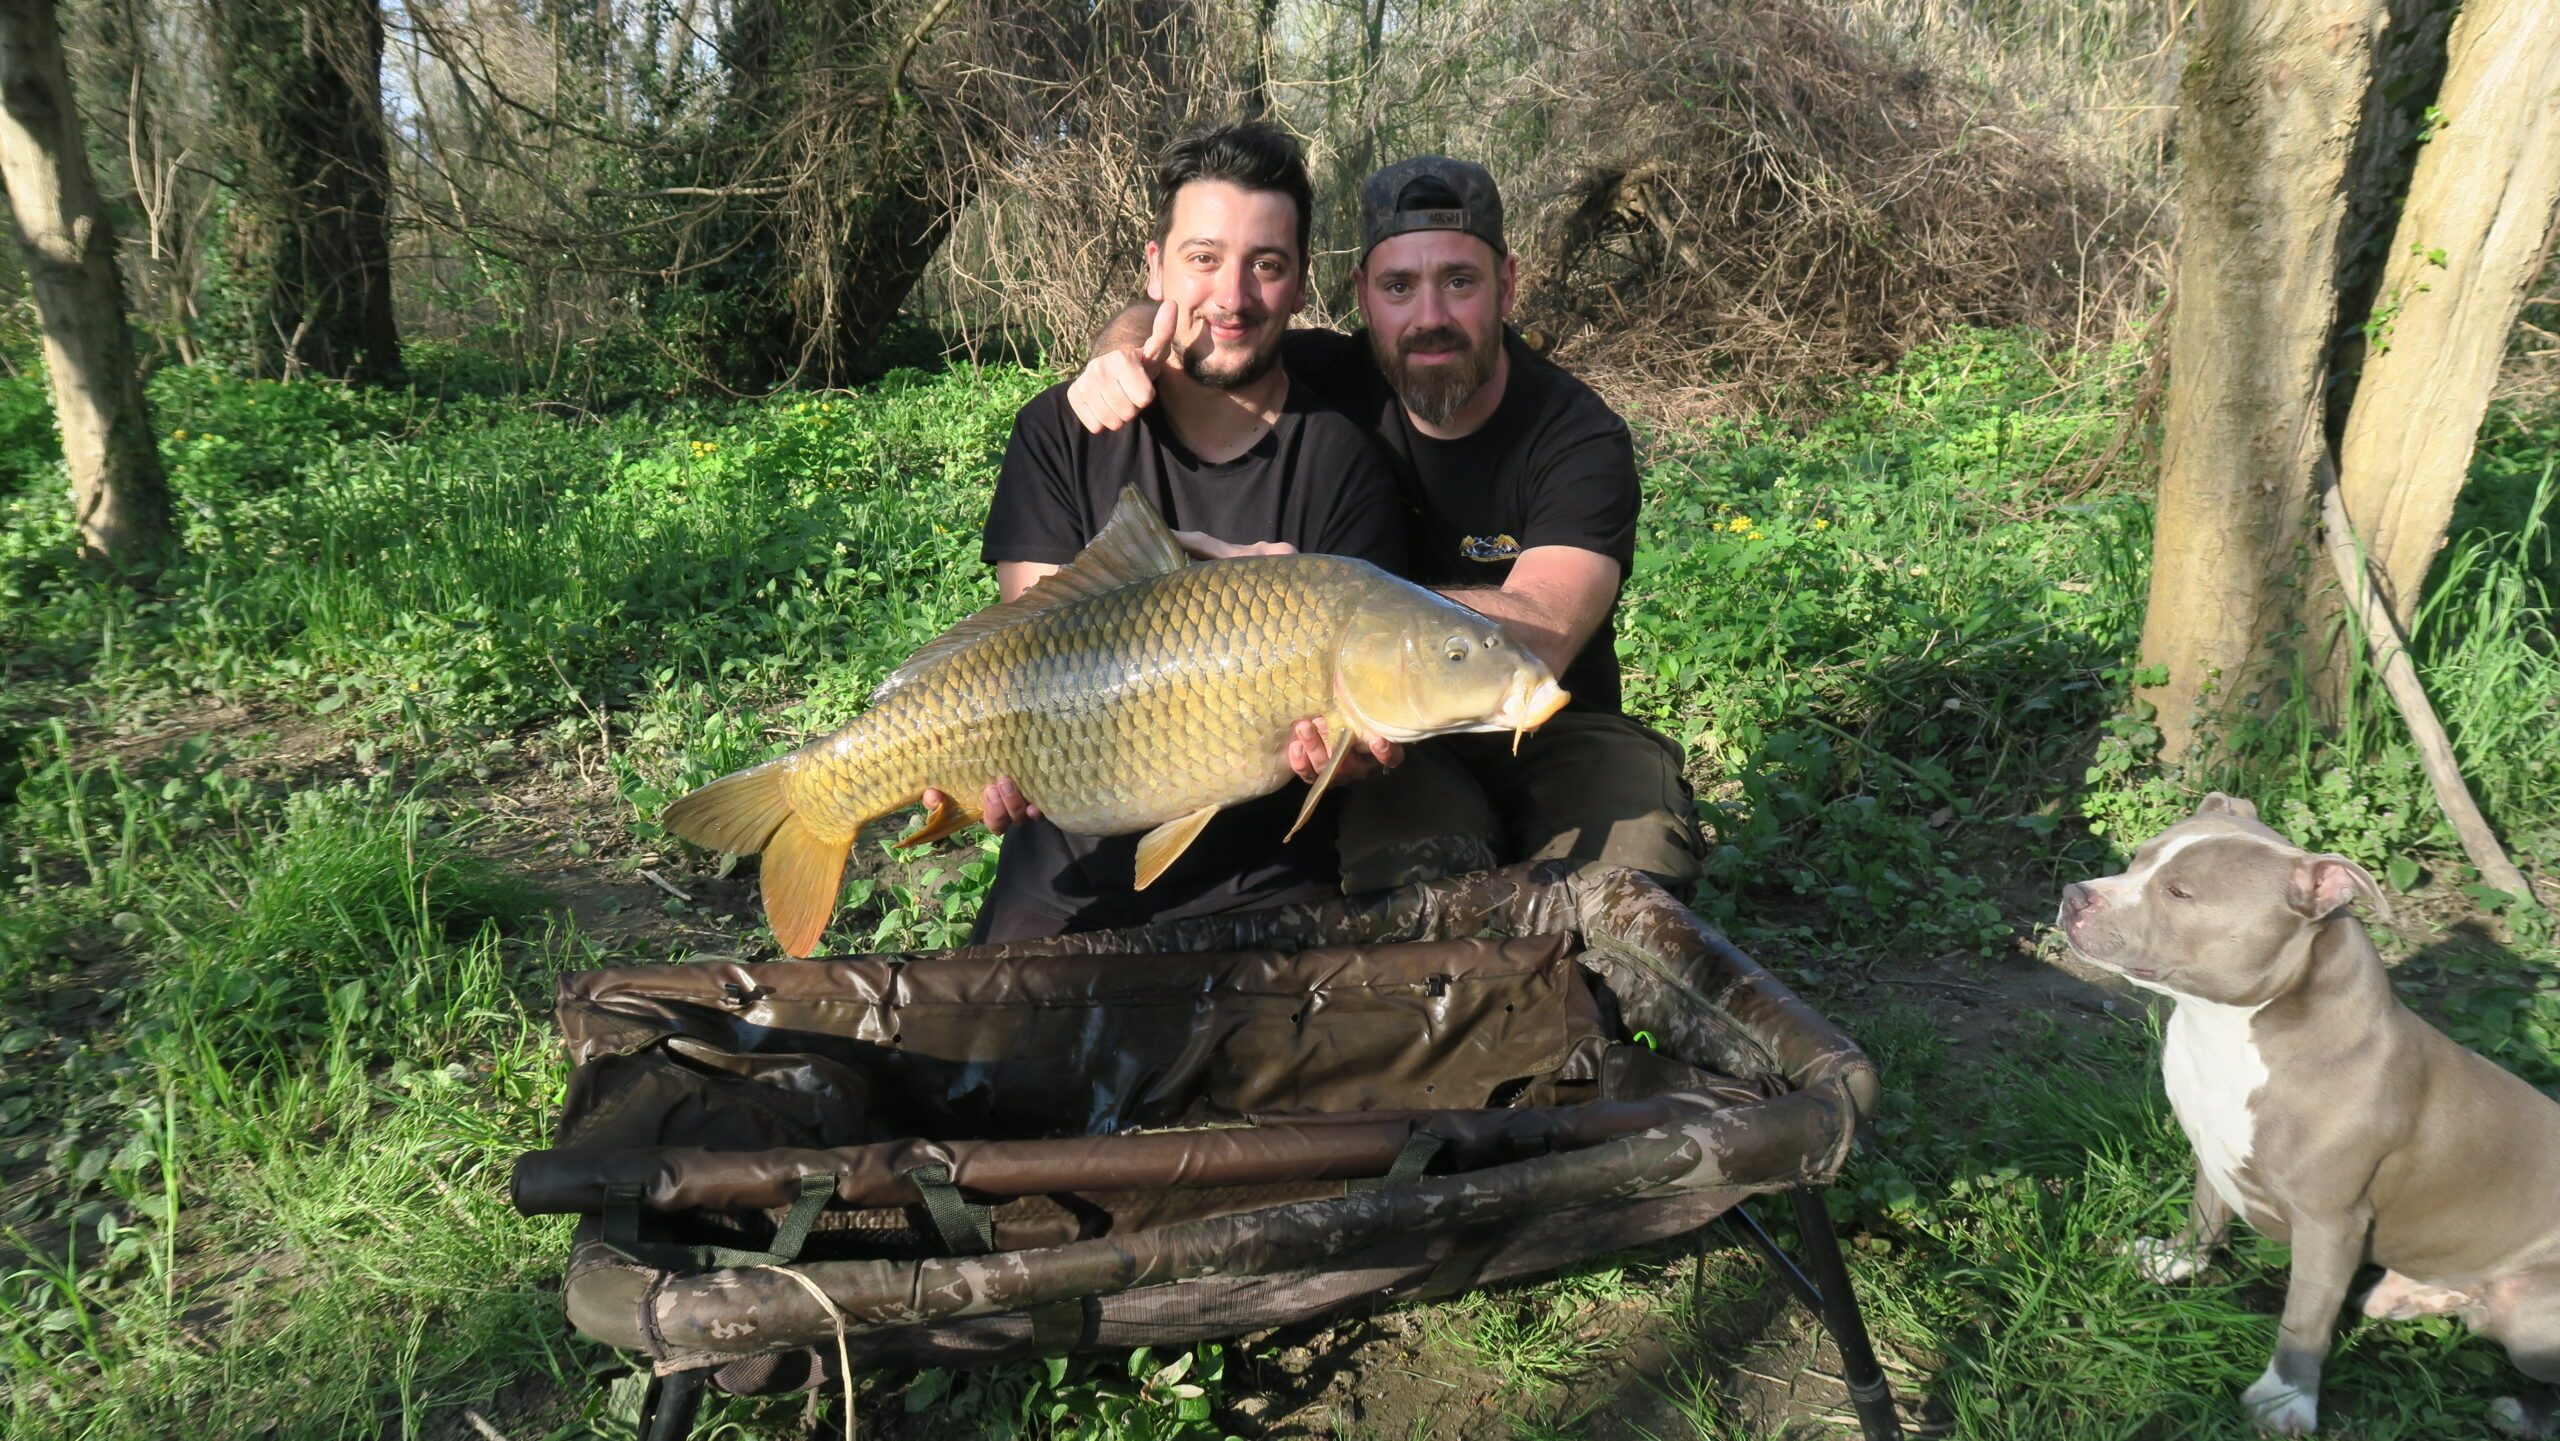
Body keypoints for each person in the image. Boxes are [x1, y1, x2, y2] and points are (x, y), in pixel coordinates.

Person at [1067, 155, 1705, 897]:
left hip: (1551, 725)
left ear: (1507, 284)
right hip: (1387, 737)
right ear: (1364, 297)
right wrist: (1120, 348)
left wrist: (1315, 606)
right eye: (1399, 286)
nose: (1428, 316)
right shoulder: (1333, 378)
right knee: (1409, 876)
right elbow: (1205, 324)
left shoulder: (1575, 435)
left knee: (1632, 876)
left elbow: (1545, 625)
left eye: (1459, 281)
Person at [941, 122, 1411, 944]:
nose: (1232, 297)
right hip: (1065, 875)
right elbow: (1024, 648)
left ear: (1301, 286)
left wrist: (1353, 756)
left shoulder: (1345, 462)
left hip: (1267, 881)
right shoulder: (1061, 430)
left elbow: (1362, 736)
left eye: (1267, 265)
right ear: (1156, 266)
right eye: (1203, 258)